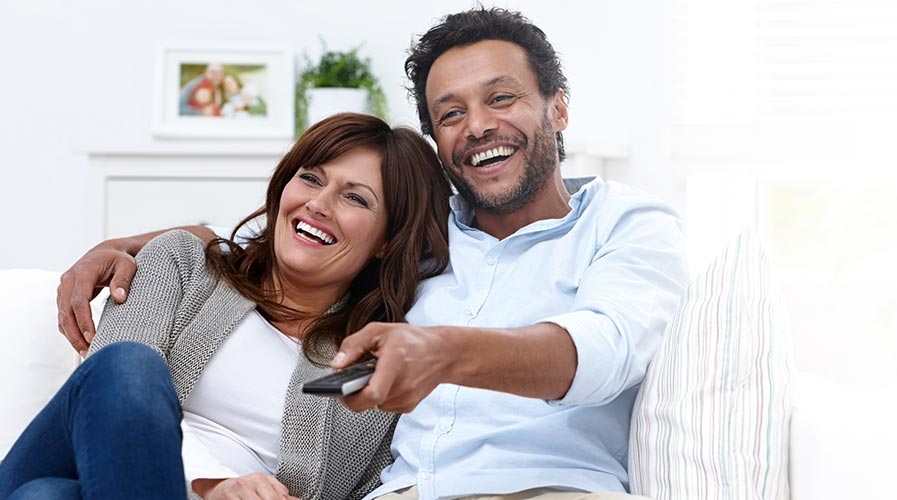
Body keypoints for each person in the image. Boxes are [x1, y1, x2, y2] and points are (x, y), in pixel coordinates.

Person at [55, 7, 690, 500]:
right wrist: (136, 245)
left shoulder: (626, 222)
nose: (477, 126)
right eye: (450, 114)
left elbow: (604, 349)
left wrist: (443, 353)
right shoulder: (429, 237)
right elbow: (291, 237)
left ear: (558, 107)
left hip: (550, 487)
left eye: (501, 98)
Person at [1, 113, 452, 499]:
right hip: (96, 463)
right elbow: (111, 390)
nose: (318, 204)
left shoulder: (370, 367)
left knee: (46, 496)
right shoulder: (183, 262)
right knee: (128, 365)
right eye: (311, 178)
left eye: (355, 198)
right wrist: (211, 484)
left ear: (388, 240)